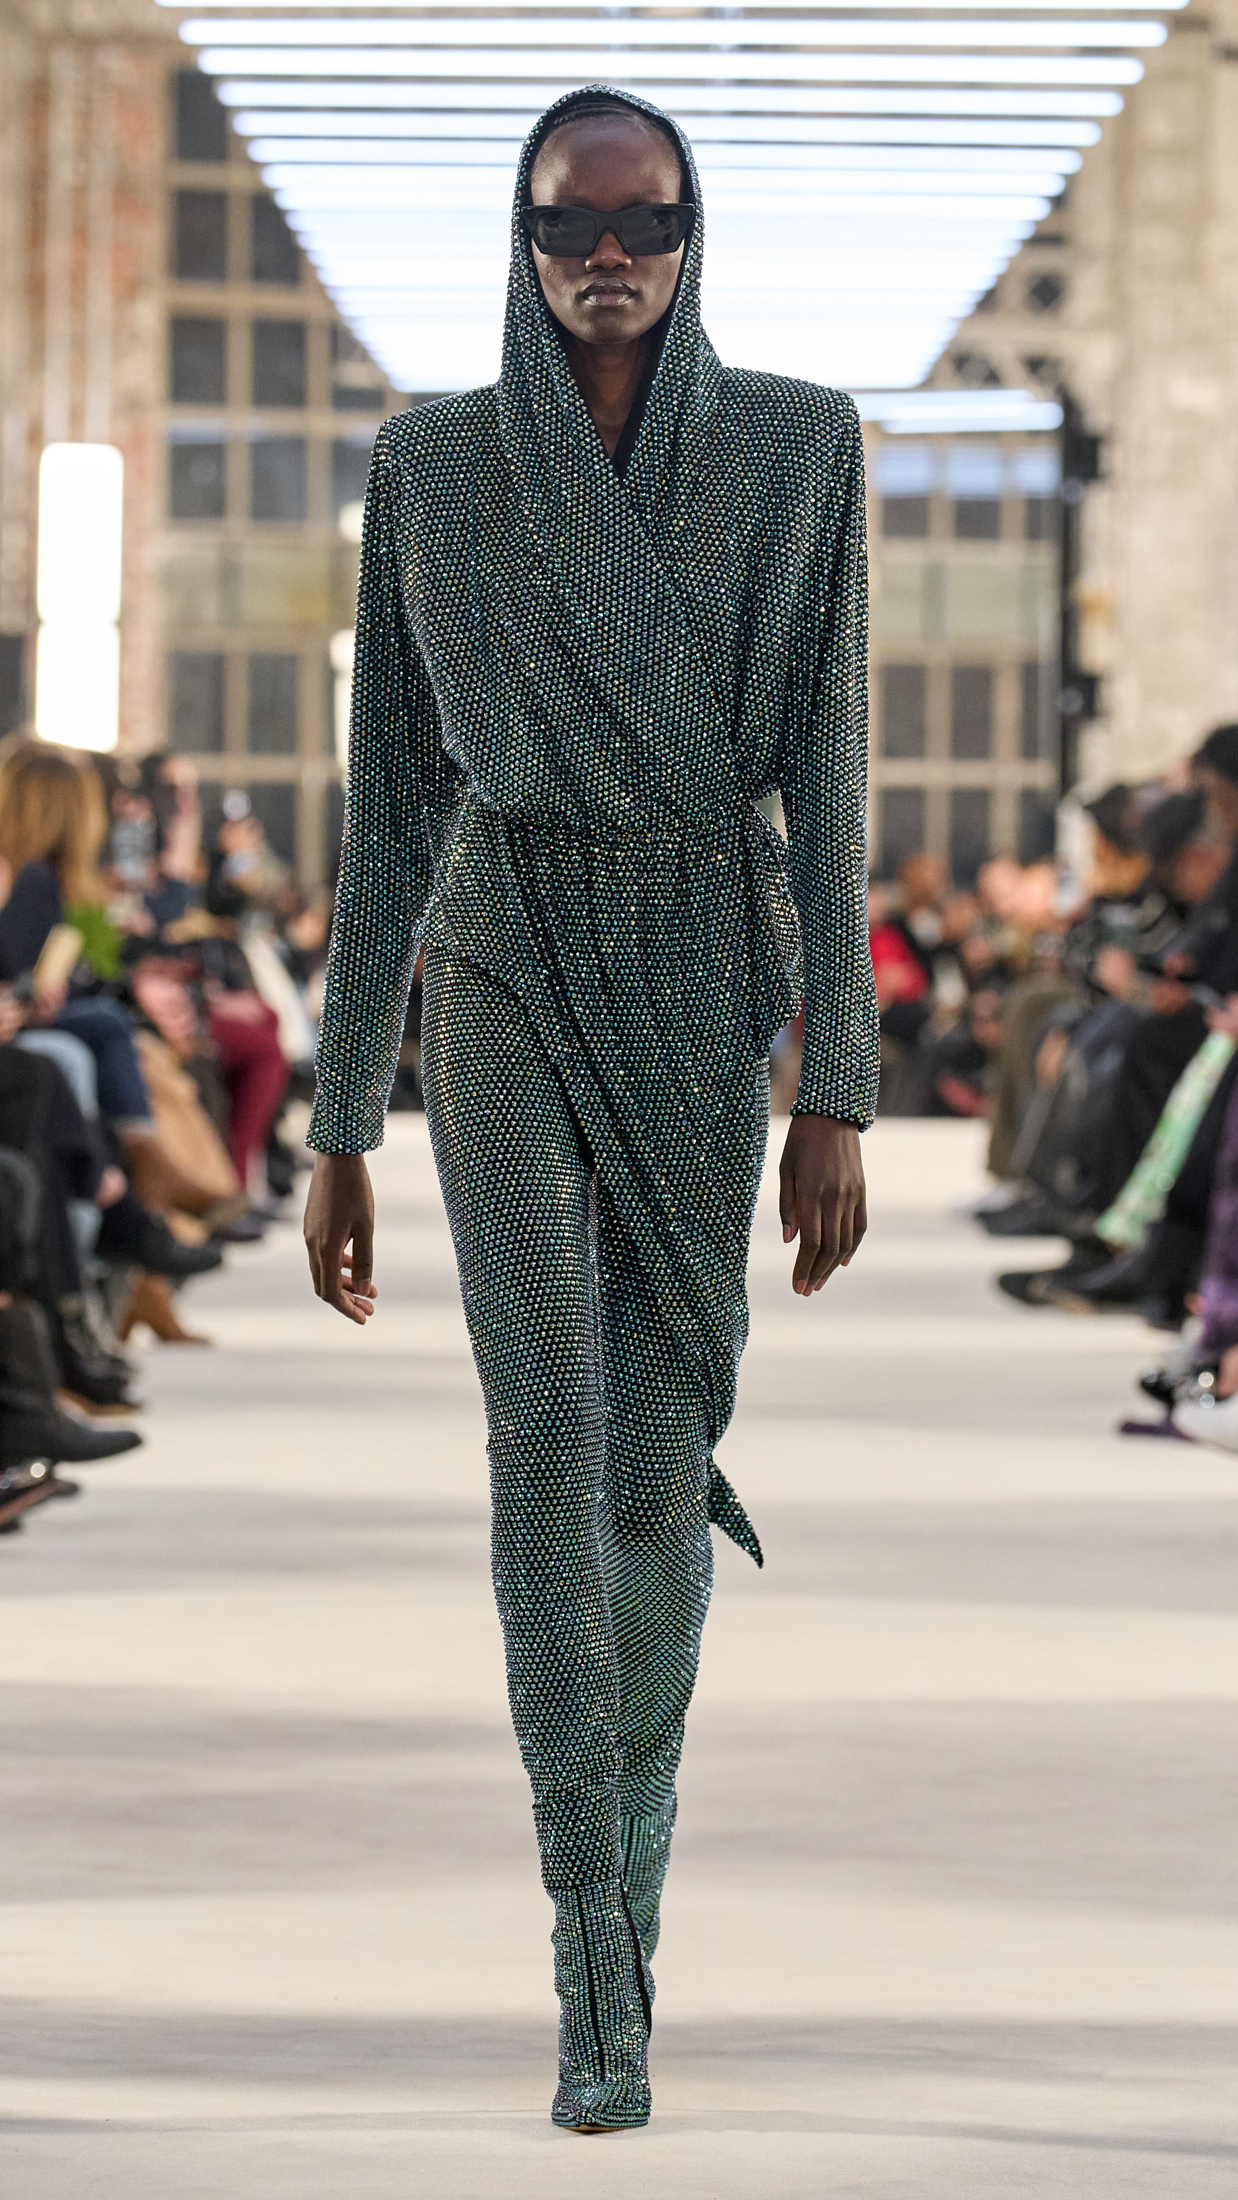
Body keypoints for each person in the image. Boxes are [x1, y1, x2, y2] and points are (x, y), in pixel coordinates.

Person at [303, 86, 876, 2133]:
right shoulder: (431, 465)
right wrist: (339, 1113)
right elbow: (391, 799)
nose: (607, 255)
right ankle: (587, 1955)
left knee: (652, 1455)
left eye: (642, 220)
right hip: (505, 952)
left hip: (704, 960)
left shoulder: (800, 446)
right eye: (568, 223)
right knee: (546, 1437)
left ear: (693, 232)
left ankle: (633, 1882)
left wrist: (840, 1081)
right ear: (523, 238)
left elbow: (832, 762)